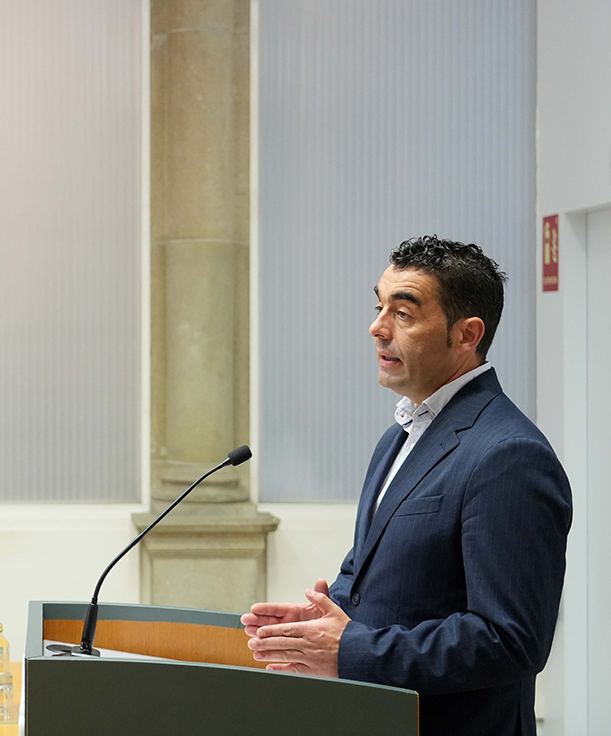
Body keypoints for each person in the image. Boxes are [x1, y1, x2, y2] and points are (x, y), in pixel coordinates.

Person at [242, 236, 571, 736]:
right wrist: (320, 622)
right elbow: (369, 572)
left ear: (467, 334)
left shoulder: (509, 455)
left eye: (403, 313)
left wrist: (349, 649)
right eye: (379, 307)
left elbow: (510, 640)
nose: (377, 328)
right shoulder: (399, 436)